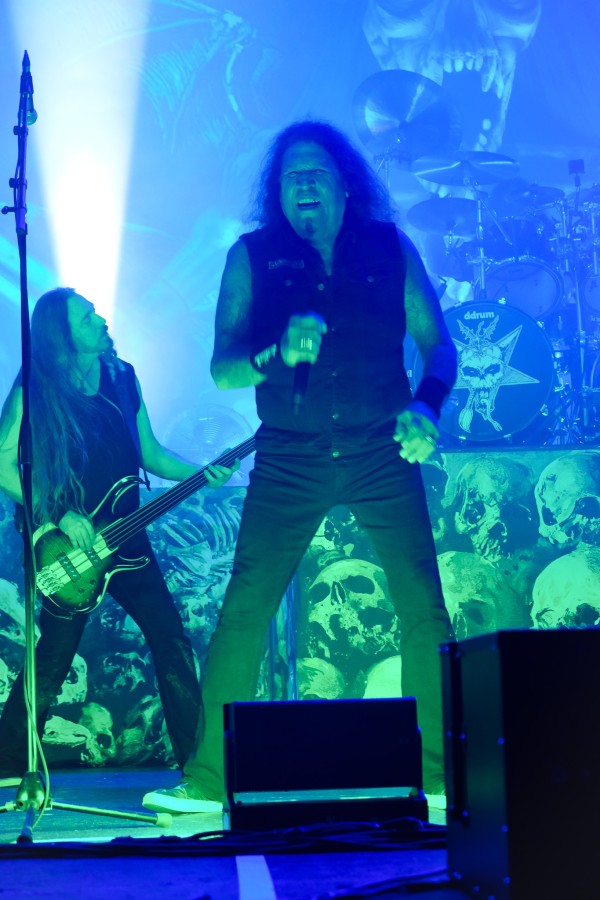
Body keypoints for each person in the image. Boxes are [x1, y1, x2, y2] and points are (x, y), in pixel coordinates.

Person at [142, 120, 457, 815]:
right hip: (290, 455)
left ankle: (437, 778)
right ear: (277, 192)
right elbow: (224, 368)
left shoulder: (390, 248)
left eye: (316, 172)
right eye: (291, 176)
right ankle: (206, 783)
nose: (304, 184)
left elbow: (438, 345)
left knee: (423, 607)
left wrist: (427, 406)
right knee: (245, 608)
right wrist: (275, 352)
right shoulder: (252, 257)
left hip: (381, 449)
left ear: (346, 184)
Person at [0, 287, 237, 780]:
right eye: (87, 318)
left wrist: (202, 472)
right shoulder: (38, 385)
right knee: (54, 657)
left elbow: (151, 453)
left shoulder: (123, 377)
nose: (101, 320)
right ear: (63, 335)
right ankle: (7, 764)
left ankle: (200, 765)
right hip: (67, 546)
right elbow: (3, 462)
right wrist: (56, 513)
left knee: (170, 638)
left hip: (127, 536)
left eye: (96, 312)